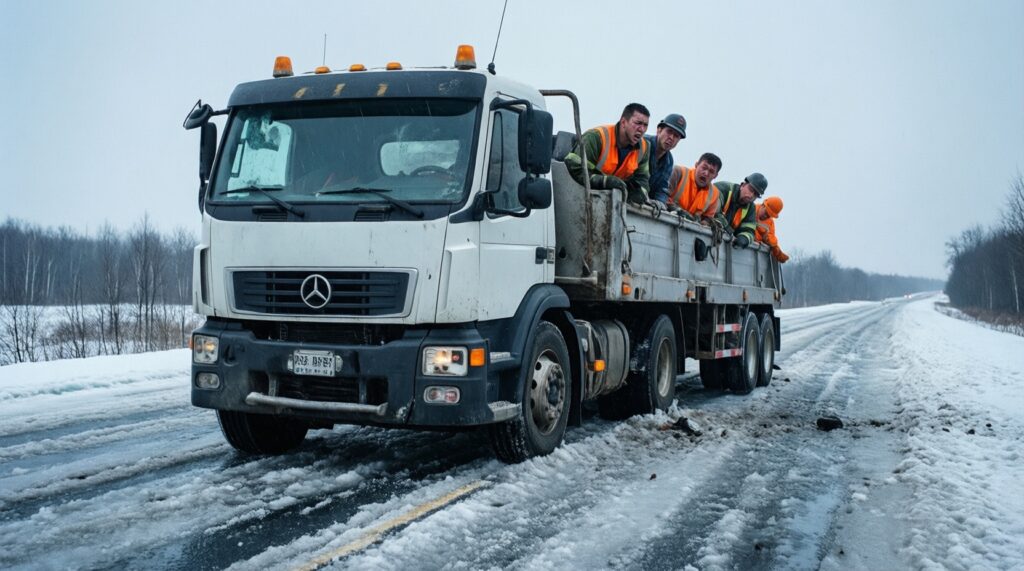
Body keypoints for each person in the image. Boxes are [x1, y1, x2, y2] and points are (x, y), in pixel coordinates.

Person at [564, 103, 652, 205]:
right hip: (579, 200)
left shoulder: (644, 148)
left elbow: (643, 180)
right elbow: (576, 167)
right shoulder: (596, 137)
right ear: (623, 122)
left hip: (613, 206)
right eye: (638, 123)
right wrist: (605, 181)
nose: (642, 129)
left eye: (645, 125)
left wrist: (640, 194)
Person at [665, 153, 722, 222]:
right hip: (666, 218)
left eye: (711, 171)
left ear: (715, 176)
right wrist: (677, 210)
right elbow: (662, 196)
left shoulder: (714, 194)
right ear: (696, 165)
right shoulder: (679, 172)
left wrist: (707, 222)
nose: (706, 173)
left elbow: (708, 218)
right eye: (704, 168)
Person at [715, 172, 766, 248]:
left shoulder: (751, 208)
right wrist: (728, 229)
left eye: (756, 194)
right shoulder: (723, 188)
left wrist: (744, 238)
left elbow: (750, 230)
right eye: (751, 190)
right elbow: (713, 212)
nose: (751, 195)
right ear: (743, 185)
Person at [645, 114, 687, 204]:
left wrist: (660, 202)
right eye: (669, 132)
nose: (671, 138)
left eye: (676, 136)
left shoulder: (669, 161)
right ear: (659, 130)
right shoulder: (643, 144)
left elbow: (662, 188)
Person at [755, 195, 789, 262]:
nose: (766, 216)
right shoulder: (750, 209)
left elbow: (771, 239)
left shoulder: (770, 223)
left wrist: (778, 252)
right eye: (766, 213)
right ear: (763, 205)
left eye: (769, 216)